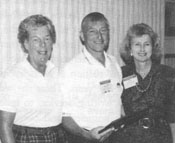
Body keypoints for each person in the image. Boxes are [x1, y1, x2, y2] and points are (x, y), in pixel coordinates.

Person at [0, 14, 65, 143]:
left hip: (57, 137)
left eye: (47, 38)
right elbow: (4, 126)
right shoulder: (14, 76)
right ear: (26, 44)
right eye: (36, 40)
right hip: (28, 139)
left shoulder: (57, 73)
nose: (43, 45)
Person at [60, 12, 123, 143]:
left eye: (103, 30)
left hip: (115, 137)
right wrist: (86, 135)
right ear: (82, 36)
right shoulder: (71, 69)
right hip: (84, 138)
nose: (99, 36)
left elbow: (118, 100)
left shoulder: (114, 63)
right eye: (92, 31)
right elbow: (63, 115)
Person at [113, 23, 175, 143]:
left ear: (153, 47)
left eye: (146, 44)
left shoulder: (168, 74)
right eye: (137, 44)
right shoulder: (121, 74)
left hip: (160, 138)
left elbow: (173, 116)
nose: (142, 49)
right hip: (129, 138)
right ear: (130, 49)